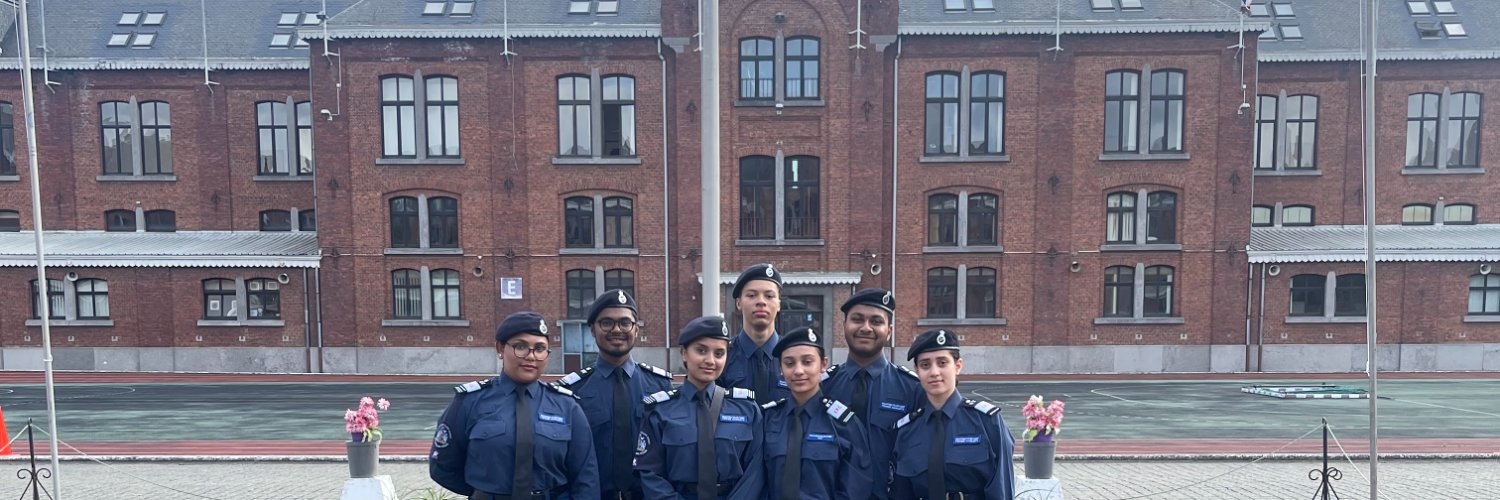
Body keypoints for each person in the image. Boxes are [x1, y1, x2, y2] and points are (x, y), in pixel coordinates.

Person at [430, 311, 600, 499]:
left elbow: (586, 475)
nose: (531, 356)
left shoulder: (567, 406)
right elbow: (442, 466)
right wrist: (484, 493)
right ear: (500, 348)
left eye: (540, 348)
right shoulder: (469, 402)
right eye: (521, 346)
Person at [554, 289, 674, 499]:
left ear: (636, 329)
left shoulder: (660, 385)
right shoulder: (571, 390)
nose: (617, 330)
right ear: (592, 329)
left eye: (625, 323)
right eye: (606, 323)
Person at [635, 315, 764, 500]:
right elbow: (649, 473)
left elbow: (756, 471)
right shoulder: (659, 411)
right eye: (701, 350)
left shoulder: (746, 409)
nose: (710, 360)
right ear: (684, 353)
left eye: (719, 353)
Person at [890, 329, 1016, 500]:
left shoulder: (987, 422)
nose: (934, 372)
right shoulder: (907, 430)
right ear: (917, 371)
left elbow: (1001, 490)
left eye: (942, 363)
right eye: (925, 365)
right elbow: (901, 493)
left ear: (958, 366)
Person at [821, 288, 923, 499]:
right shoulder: (823, 387)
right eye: (857, 319)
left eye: (876, 321)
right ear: (844, 326)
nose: (866, 328)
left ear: (889, 331)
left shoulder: (913, 389)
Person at [760, 326, 873, 500]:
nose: (798, 371)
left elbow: (856, 488)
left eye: (807, 362)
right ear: (781, 369)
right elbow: (759, 482)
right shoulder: (768, 419)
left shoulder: (844, 424)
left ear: (823, 364)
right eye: (789, 363)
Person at [719, 263, 789, 405]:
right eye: (751, 295)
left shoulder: (793, 356)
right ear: (738, 303)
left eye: (769, 296)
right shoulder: (723, 357)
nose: (761, 302)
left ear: (779, 304)